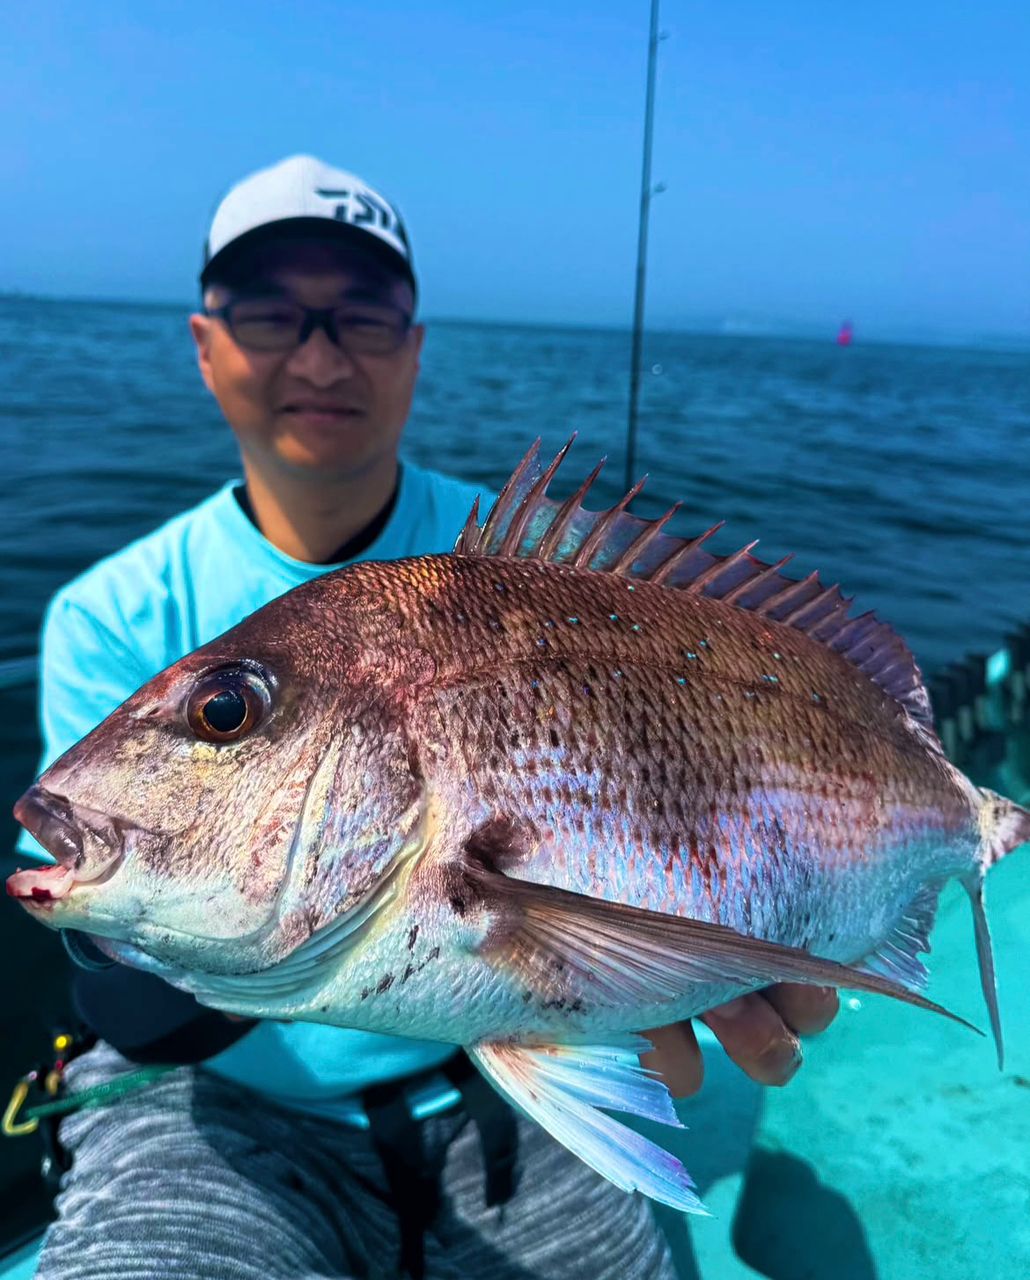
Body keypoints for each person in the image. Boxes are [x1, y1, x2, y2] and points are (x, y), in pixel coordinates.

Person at [17, 154, 838, 1280]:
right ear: (205, 343)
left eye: (363, 314)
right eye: (270, 313)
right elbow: (131, 1005)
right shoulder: (111, 613)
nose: (318, 352)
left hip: (495, 1081)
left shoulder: (525, 554)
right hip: (219, 1110)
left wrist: (673, 949)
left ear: (414, 346)